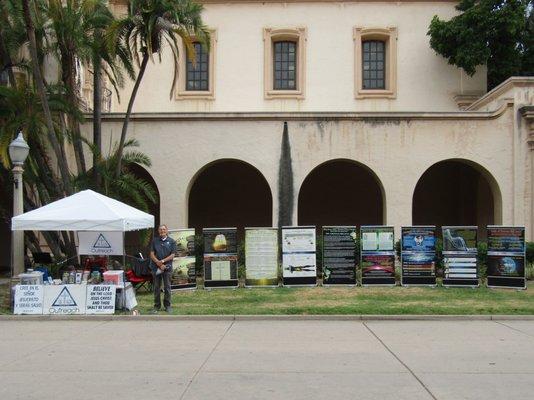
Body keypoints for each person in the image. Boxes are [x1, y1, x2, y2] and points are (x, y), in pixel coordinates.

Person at [149, 224, 176, 313]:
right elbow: (152, 254)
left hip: (167, 268)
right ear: (158, 231)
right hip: (156, 268)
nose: (162, 231)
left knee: (167, 287)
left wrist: (163, 262)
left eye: (164, 229)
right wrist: (158, 263)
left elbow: (172, 255)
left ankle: (167, 306)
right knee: (156, 287)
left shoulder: (171, 241)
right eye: (160, 229)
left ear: (167, 231)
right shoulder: (154, 241)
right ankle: (157, 306)